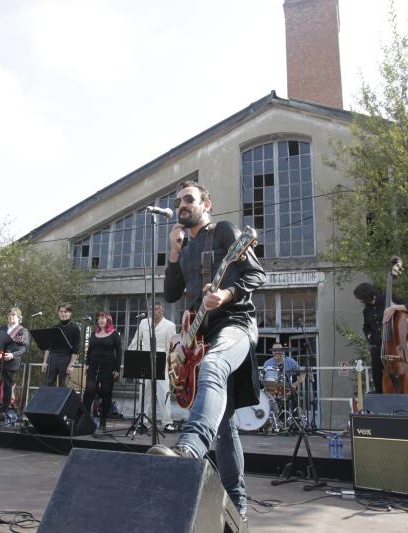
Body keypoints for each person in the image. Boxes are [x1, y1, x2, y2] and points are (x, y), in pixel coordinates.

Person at [147, 180, 265, 522]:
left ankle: (189, 451)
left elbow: (256, 274)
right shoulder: (183, 248)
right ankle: (238, 505)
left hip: (236, 324)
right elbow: (171, 295)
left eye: (188, 199)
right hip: (200, 335)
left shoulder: (225, 232)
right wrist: (173, 250)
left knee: (213, 366)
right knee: (224, 425)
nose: (181, 205)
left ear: (206, 204)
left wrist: (225, 295)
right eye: (178, 201)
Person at [353, 282, 408, 394]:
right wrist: (371, 338)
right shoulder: (366, 310)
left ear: (366, 295)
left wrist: (394, 307)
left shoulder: (388, 299)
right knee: (377, 371)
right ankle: (380, 394)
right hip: (379, 346)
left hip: (395, 345)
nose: (360, 301)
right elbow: (366, 327)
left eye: (361, 298)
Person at [128, 302, 178, 431]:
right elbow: (136, 340)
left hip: (161, 361)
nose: (152, 311)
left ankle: (167, 422)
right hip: (144, 359)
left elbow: (171, 347)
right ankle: (143, 421)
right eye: (151, 309)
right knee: (145, 392)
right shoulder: (144, 322)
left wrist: (171, 366)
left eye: (155, 309)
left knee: (163, 392)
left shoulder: (170, 325)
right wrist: (131, 359)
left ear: (162, 311)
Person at [83, 312, 123, 436]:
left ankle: (103, 423)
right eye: (99, 318)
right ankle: (84, 421)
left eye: (103, 318)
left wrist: (117, 369)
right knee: (88, 393)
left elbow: (119, 352)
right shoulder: (94, 334)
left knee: (106, 394)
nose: (100, 320)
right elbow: (89, 351)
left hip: (108, 367)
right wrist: (87, 364)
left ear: (108, 320)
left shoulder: (114, 334)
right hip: (93, 367)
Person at [42, 303, 81, 387]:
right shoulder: (55, 327)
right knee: (47, 384)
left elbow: (76, 348)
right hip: (53, 358)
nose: (63, 314)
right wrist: (45, 361)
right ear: (58, 313)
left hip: (66, 358)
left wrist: (71, 365)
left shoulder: (75, 328)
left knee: (63, 385)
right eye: (61, 311)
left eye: (65, 312)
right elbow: (49, 346)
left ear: (70, 313)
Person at [262, 342, 305, 416]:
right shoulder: (267, 363)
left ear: (283, 351)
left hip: (287, 389)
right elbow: (263, 378)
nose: (277, 352)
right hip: (272, 390)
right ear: (272, 352)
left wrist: (295, 384)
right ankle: (271, 420)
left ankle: (296, 419)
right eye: (275, 350)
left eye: (280, 350)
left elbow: (303, 373)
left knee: (294, 395)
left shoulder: (290, 361)